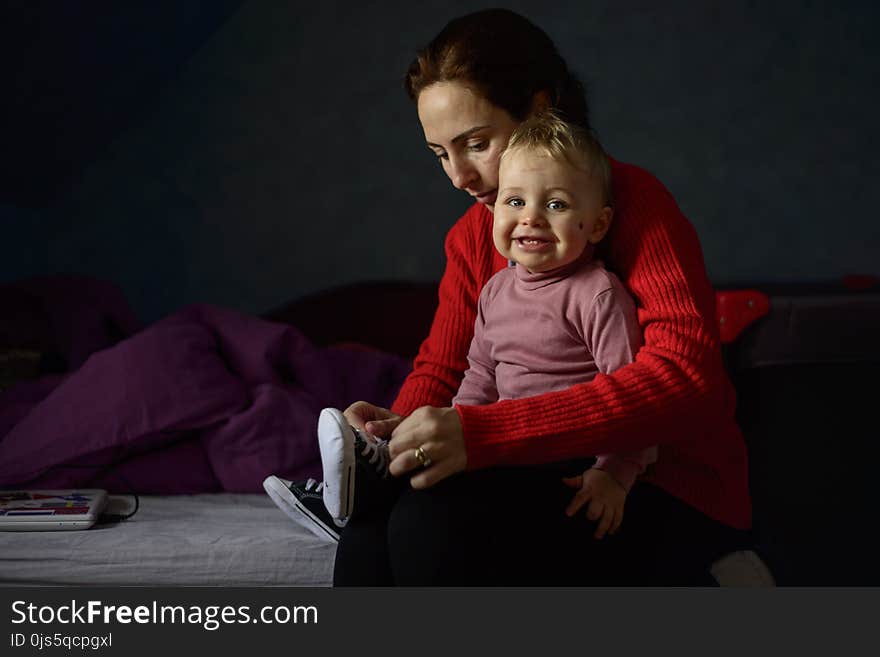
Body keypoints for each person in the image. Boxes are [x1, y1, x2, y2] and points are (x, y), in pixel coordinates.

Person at [278, 8, 751, 585]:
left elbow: (685, 377)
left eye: (475, 143)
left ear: (539, 109)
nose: (459, 177)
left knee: (429, 525)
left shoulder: (634, 204)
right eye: (439, 154)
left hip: (651, 482)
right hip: (534, 465)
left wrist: (483, 433)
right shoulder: (471, 237)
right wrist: (397, 433)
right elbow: (447, 365)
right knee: (370, 530)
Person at [265, 112, 658, 542]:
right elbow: (480, 376)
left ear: (598, 224)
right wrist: (450, 426)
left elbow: (633, 403)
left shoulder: (597, 294)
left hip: (567, 461)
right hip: (503, 451)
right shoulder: (494, 291)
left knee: (427, 515)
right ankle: (372, 478)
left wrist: (614, 475)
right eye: (514, 202)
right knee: (382, 522)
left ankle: (373, 486)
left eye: (557, 204)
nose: (531, 218)